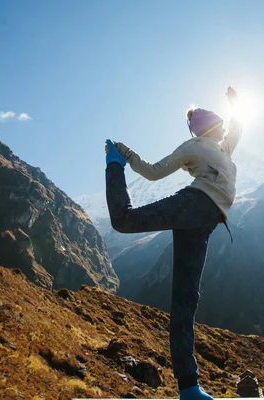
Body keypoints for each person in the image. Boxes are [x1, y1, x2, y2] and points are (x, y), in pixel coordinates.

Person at [104, 87, 242, 400]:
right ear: (210, 127)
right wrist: (124, 156)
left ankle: (189, 388)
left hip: (205, 223)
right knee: (124, 220)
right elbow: (153, 172)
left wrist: (236, 103)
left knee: (185, 302)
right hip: (192, 205)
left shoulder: (225, 149)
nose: (223, 129)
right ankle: (112, 166)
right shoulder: (192, 146)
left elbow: (239, 127)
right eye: (219, 124)